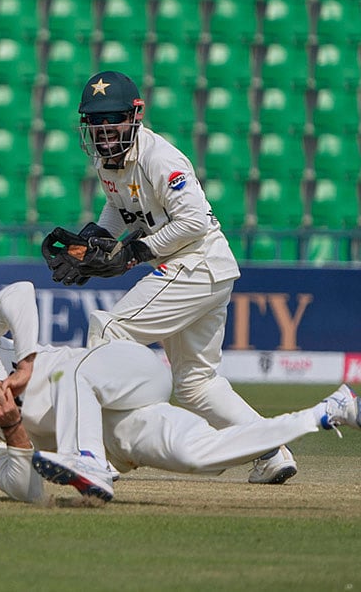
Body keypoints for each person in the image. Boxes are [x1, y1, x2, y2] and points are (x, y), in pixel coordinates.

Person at [0, 281, 360, 503]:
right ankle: (328, 410)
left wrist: (26, 362)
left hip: (125, 369)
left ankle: (86, 459)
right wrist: (14, 429)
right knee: (196, 455)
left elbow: (18, 293)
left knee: (69, 377)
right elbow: (30, 491)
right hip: (114, 433)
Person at [44, 70, 297, 484]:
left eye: (114, 119)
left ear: (136, 114)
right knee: (197, 384)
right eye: (96, 121)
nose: (105, 130)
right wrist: (97, 238)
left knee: (108, 331)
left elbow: (194, 221)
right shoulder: (106, 161)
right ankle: (269, 450)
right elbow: (119, 208)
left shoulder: (160, 158)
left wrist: (135, 252)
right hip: (208, 271)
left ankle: (96, 454)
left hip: (195, 262)